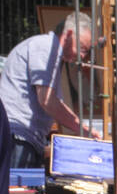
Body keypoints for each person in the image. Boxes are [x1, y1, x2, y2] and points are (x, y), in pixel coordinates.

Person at [0, 14, 94, 168]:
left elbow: (51, 101)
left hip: (24, 137)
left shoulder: (51, 52)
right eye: (82, 48)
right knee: (19, 191)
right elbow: (47, 100)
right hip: (17, 137)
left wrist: (80, 127)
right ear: (69, 34)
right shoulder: (46, 47)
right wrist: (81, 128)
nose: (82, 56)